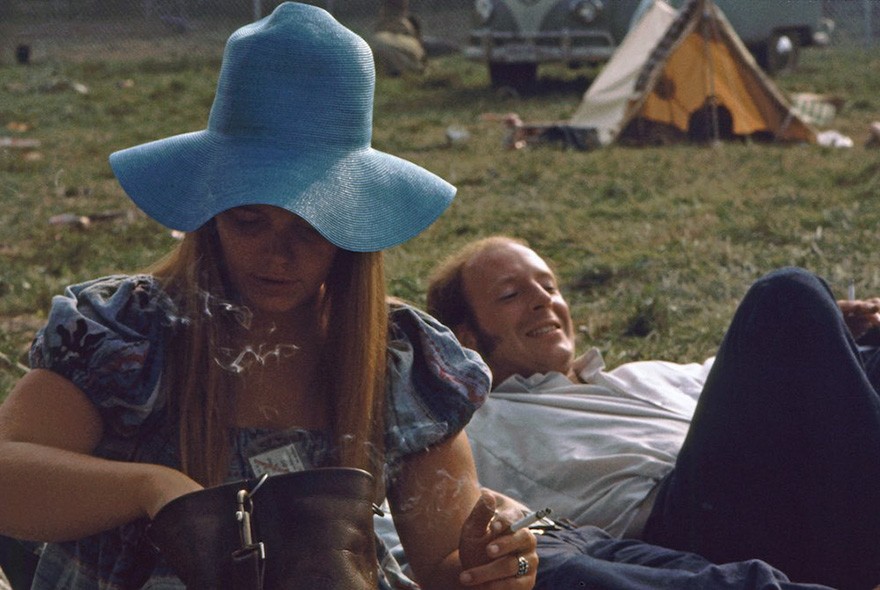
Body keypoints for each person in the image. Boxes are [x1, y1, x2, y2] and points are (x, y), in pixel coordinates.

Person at [0, 7, 538, 590]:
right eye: (249, 221)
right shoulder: (129, 334)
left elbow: (446, 568)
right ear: (211, 214)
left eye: (310, 228)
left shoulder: (400, 362)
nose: (278, 255)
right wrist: (151, 488)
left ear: (352, 231)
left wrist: (497, 567)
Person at [426, 236, 880, 590]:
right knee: (785, 294)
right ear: (466, 338)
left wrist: (829, 334)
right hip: (689, 527)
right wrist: (793, 318)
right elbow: (411, 507)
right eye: (510, 295)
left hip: (787, 495)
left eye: (549, 286)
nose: (544, 300)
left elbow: (743, 381)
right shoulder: (480, 424)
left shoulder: (639, 375)